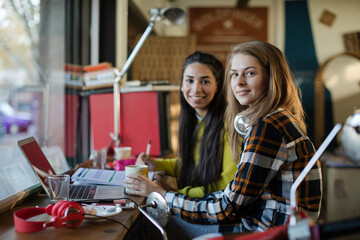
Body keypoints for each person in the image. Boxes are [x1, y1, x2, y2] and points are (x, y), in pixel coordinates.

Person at [124, 41, 322, 238]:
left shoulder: (267, 127)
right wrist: (168, 191)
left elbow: (226, 209)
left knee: (146, 224)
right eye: (235, 74)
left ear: (272, 78)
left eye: (250, 73)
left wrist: (166, 196)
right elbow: (233, 196)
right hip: (261, 224)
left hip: (264, 233)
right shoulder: (274, 120)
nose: (239, 82)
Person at [131, 51, 239, 197]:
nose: (196, 89)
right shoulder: (194, 118)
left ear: (217, 86)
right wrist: (156, 164)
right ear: (181, 84)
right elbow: (193, 163)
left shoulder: (231, 122)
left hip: (215, 209)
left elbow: (227, 183)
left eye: (205, 81)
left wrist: (168, 192)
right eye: (189, 80)